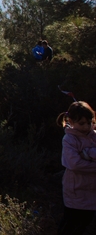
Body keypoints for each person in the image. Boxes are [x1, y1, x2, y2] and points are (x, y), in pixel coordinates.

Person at [56, 101, 96, 235]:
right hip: (76, 190)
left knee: (84, 223)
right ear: (71, 121)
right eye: (82, 123)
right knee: (70, 224)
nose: (86, 127)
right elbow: (75, 164)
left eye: (89, 123)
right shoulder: (69, 139)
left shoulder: (94, 136)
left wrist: (88, 154)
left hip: (92, 190)